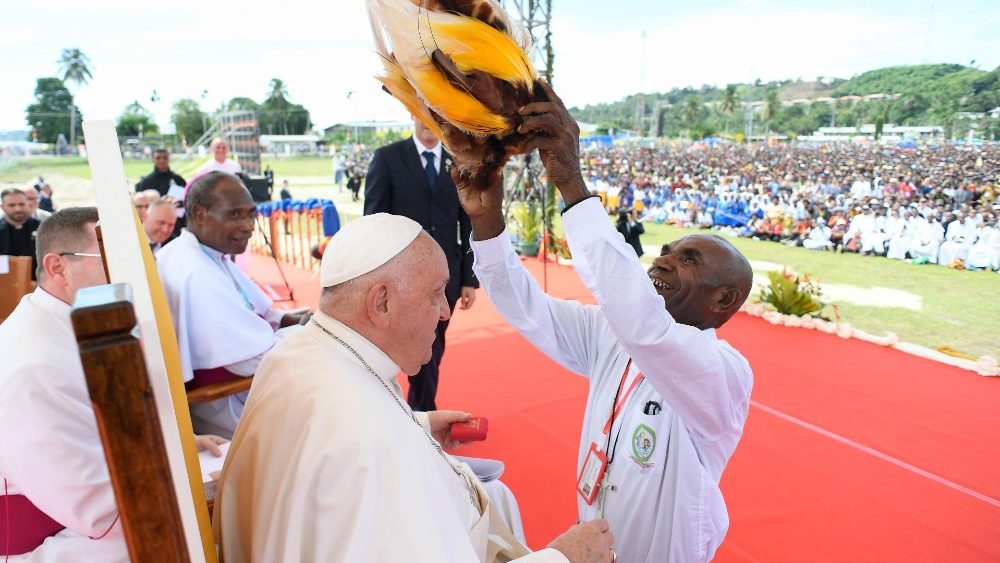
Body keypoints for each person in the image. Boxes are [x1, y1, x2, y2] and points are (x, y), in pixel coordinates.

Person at [448, 79, 754, 562]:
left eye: (689, 260)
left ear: (724, 300)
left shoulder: (722, 372)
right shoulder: (615, 334)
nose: (662, 260)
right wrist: (487, 221)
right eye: (666, 250)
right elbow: (524, 306)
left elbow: (639, 317)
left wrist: (572, 182)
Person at [213, 213, 615, 563]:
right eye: (435, 294)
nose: (445, 311)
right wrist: (562, 558)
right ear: (381, 303)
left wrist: (416, 426)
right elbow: (366, 446)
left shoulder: (297, 351)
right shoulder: (374, 441)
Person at [0, 207, 227, 562]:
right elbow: (100, 510)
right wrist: (197, 486)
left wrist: (174, 445)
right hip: (62, 538)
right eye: (111, 258)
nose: (135, 273)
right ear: (58, 267)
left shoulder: (69, 321)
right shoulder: (35, 367)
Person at [156, 172, 307, 438]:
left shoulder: (201, 252)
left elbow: (249, 309)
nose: (249, 226)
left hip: (247, 386)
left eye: (251, 214)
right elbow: (252, 359)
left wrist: (286, 320)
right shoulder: (195, 271)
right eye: (235, 215)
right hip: (234, 405)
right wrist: (312, 332)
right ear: (200, 213)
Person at [364, 117, 479, 410]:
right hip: (399, 276)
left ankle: (419, 411)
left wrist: (469, 278)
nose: (430, 121)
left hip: (447, 276)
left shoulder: (459, 161)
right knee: (417, 345)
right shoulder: (388, 158)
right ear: (413, 115)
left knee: (432, 344)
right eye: (423, 113)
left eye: (436, 116)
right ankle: (421, 412)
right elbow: (374, 221)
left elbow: (468, 223)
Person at [1, 188, 42, 279]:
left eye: (21, 204)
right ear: (2, 207)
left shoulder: (42, 228)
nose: (18, 209)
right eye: (12, 205)